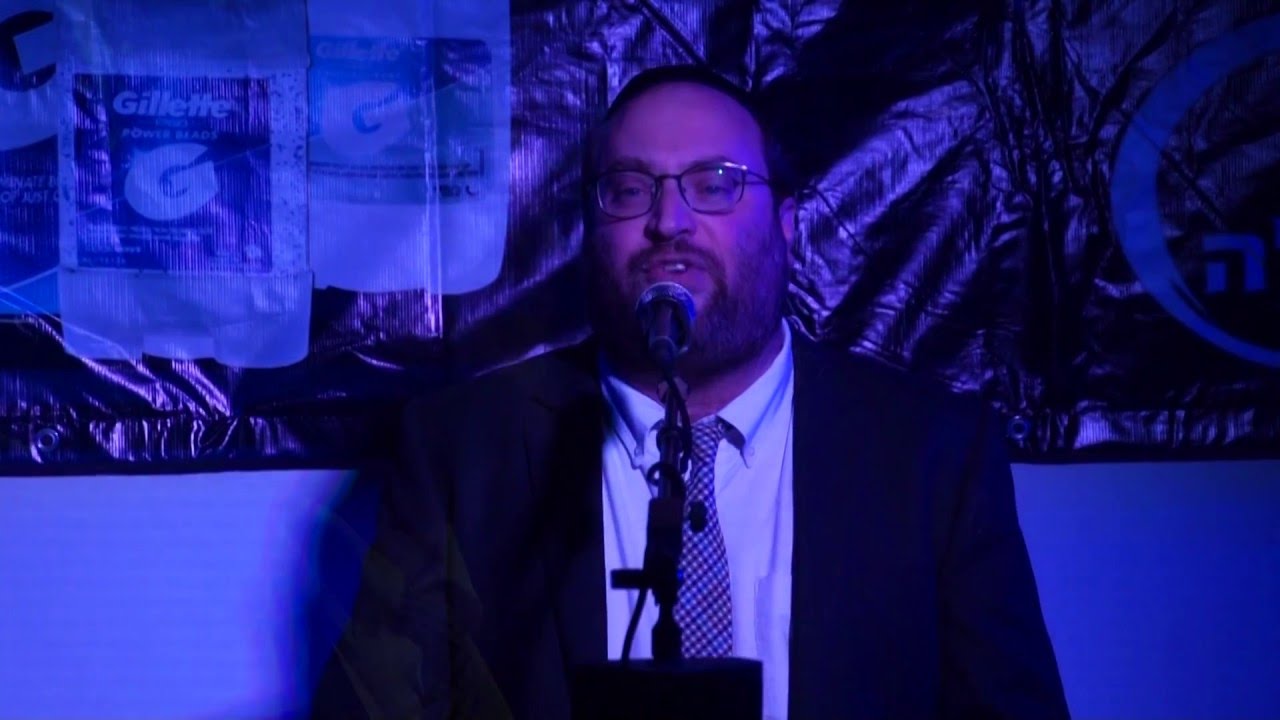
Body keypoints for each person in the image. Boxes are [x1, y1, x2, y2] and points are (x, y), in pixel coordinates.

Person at [312, 63, 1070, 719]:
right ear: (589, 231)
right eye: (629, 189)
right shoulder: (460, 449)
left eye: (716, 185)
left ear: (786, 224)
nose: (669, 221)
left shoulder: (933, 456)